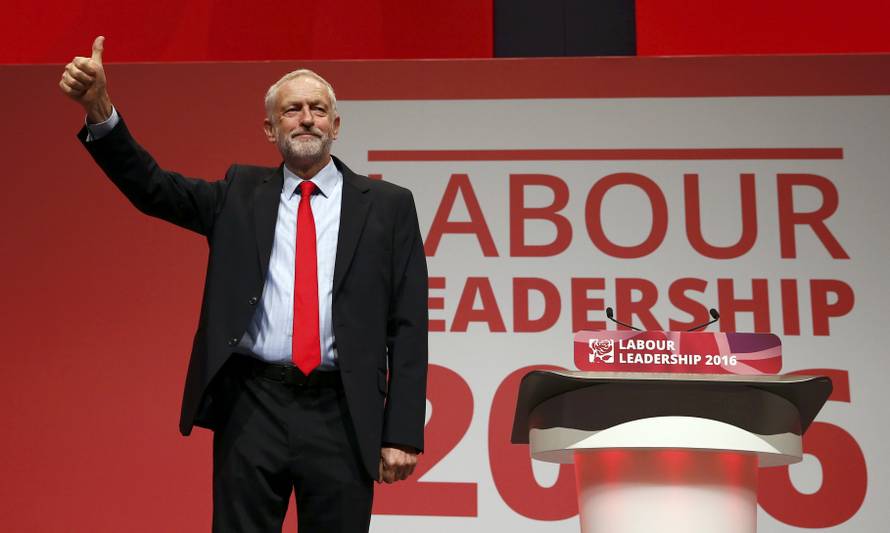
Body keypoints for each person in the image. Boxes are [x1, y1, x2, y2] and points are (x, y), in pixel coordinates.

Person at [60, 36, 429, 533]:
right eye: (292, 110)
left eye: (318, 109)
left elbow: (408, 325)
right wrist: (100, 110)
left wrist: (402, 431)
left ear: (336, 125)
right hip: (254, 407)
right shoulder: (238, 194)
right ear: (269, 127)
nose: (306, 119)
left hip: (342, 412)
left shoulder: (387, 205)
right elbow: (152, 188)